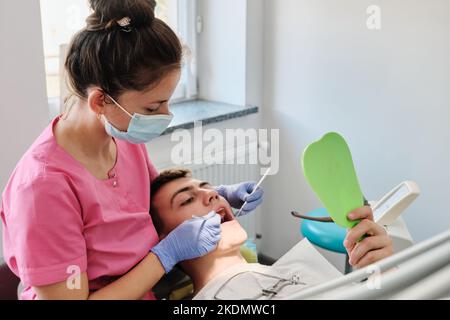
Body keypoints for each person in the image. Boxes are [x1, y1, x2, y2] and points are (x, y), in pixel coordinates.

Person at [0, 0, 263, 300]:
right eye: (152, 107)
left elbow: (149, 201)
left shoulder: (121, 138)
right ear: (100, 101)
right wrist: (165, 255)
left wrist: (215, 195)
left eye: (167, 102)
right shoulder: (42, 188)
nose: (165, 116)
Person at [149, 168, 394, 299]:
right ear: (166, 240)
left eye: (210, 188)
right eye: (187, 199)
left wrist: (383, 270)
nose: (213, 194)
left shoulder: (287, 270)